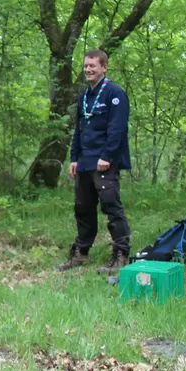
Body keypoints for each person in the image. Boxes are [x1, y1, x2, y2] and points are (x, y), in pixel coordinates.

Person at [58, 48, 132, 280]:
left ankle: (121, 255)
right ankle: (81, 252)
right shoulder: (84, 96)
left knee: (111, 207)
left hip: (104, 162)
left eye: (93, 66)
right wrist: (74, 158)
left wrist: (107, 157)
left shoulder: (115, 93)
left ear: (104, 67)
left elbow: (117, 129)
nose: (88, 69)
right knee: (82, 207)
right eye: (86, 66)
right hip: (85, 162)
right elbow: (79, 130)